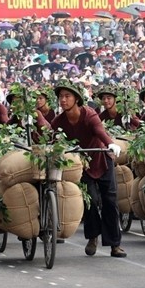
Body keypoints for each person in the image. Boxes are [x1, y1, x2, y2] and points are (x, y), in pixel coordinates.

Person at [49, 79, 125, 258]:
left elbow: (100, 132)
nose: (63, 100)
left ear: (77, 99)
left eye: (67, 96)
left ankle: (115, 244)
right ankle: (92, 237)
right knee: (89, 202)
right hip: (81, 165)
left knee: (110, 202)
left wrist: (111, 144)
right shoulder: (59, 121)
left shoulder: (89, 114)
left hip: (101, 160)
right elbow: (50, 138)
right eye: (61, 96)